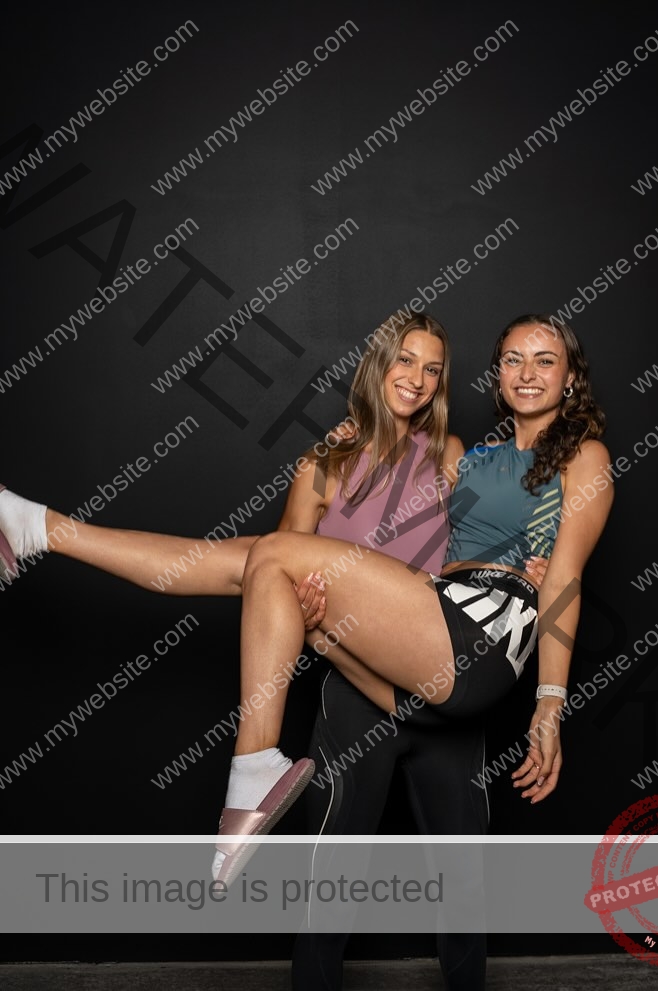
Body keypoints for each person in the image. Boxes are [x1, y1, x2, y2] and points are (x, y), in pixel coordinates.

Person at [0, 311, 547, 991]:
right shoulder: (323, 463)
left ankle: (43, 528)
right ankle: (43, 529)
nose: (418, 379)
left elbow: (485, 549)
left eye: (433, 369)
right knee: (331, 882)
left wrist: (533, 564)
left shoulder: (450, 456)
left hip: (434, 669)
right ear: (378, 366)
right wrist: (309, 610)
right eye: (405, 361)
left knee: (463, 881)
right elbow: (276, 587)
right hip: (355, 688)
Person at [215, 312, 612, 884]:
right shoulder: (468, 457)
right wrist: (354, 437)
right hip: (431, 621)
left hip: (483, 629)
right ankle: (56, 532)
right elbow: (399, 495)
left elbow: (565, 580)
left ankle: (253, 769)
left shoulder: (585, 456)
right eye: (513, 360)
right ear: (496, 375)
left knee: (273, 555)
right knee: (275, 583)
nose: (527, 373)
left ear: (570, 377)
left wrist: (549, 706)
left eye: (545, 361)